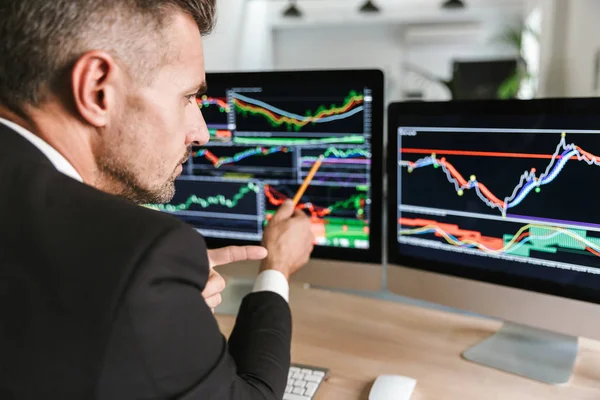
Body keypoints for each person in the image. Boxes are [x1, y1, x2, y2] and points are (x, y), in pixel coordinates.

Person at [0, 0, 315, 399]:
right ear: (98, 89)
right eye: (188, 97)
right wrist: (277, 269)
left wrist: (149, 305)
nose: (201, 133)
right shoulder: (136, 256)